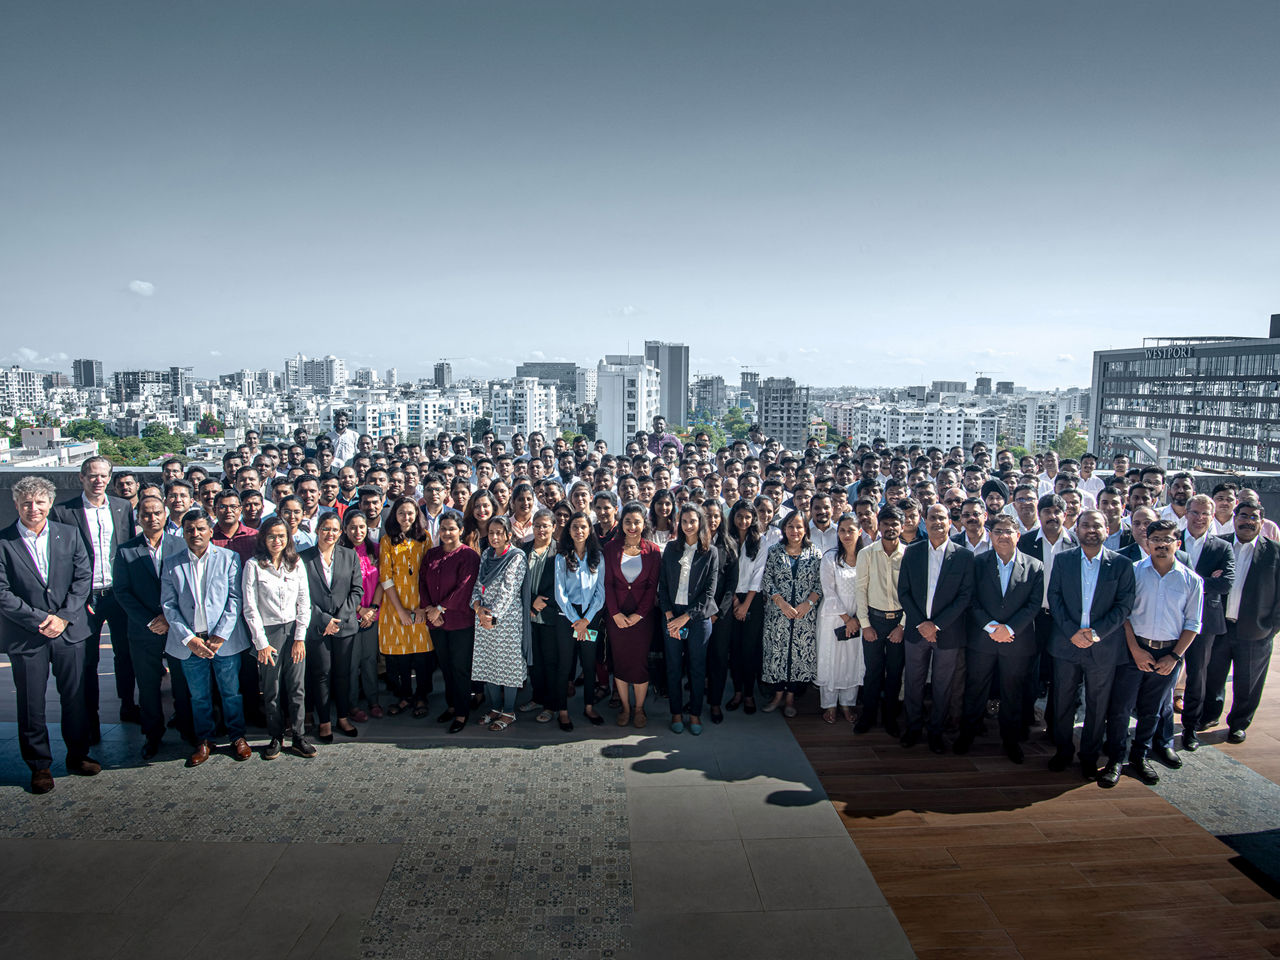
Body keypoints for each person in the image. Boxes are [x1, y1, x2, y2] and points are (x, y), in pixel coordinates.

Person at [0, 476, 98, 794]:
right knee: (31, 703)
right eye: (27, 502)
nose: (34, 508)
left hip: (68, 631)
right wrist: (42, 619)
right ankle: (39, 765)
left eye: (40, 502)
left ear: (50, 504)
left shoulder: (68, 534)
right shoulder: (3, 542)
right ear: (16, 505)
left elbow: (84, 576)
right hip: (27, 635)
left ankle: (78, 755)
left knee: (75, 697)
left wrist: (65, 617)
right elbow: (2, 593)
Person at [1101, 519, 1203, 788]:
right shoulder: (1133, 572)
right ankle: (1115, 759)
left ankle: (1140, 757)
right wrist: (1135, 650)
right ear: (1147, 542)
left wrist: (1175, 657)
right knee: (1121, 708)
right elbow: (1124, 614)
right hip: (1134, 651)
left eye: (1167, 539)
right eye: (1155, 539)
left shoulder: (1191, 580)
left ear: (1177, 543)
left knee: (1152, 711)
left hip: (1169, 653)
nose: (1161, 544)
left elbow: (1193, 623)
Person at [1046, 509, 1137, 780]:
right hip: (1066, 643)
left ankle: (1089, 756)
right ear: (1077, 529)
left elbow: (1124, 605)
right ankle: (1063, 751)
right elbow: (1055, 597)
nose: (1091, 530)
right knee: (1063, 700)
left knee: (1097, 705)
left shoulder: (1120, 564)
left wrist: (1096, 633)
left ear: (1107, 530)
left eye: (1097, 526)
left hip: (1103, 646)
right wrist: (1072, 631)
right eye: (1085, 525)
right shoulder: (1063, 561)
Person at [160, 508, 253, 768]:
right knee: (199, 696)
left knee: (231, 693)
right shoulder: (172, 562)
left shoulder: (229, 558)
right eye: (189, 530)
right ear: (183, 533)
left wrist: (220, 635)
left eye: (201, 528)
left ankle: (237, 736)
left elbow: (235, 599)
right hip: (191, 643)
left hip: (223, 641)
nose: (195, 533)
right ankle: (205, 740)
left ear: (210, 531)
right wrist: (189, 639)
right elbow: (168, 605)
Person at [52, 455, 138, 735]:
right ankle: (91, 717)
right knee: (87, 659)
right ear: (81, 477)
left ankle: (128, 705)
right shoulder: (64, 512)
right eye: (92, 475)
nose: (98, 481)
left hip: (117, 593)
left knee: (124, 653)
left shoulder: (122, 507)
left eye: (103, 476)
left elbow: (126, 548)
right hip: (84, 597)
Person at [955, 514, 1044, 764]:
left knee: (1013, 692)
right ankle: (967, 735)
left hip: (1017, 641)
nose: (1003, 536)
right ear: (990, 536)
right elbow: (971, 599)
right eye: (997, 531)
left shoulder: (1035, 566)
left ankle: (1011, 741)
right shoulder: (978, 562)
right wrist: (992, 627)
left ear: (1018, 535)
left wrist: (1010, 628)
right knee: (975, 689)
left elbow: (1033, 604)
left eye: (1008, 531)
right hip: (983, 639)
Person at [113, 494, 192, 758]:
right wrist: (150, 620)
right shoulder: (126, 550)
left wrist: (171, 618)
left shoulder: (182, 544)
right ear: (138, 518)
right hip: (143, 629)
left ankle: (188, 728)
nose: (152, 518)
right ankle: (153, 734)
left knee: (182, 681)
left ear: (165, 514)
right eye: (146, 514)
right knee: (148, 685)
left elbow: (190, 587)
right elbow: (122, 592)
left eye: (157, 512)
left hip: (178, 626)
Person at [898, 504, 976, 753]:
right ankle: (912, 728)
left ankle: (936, 731)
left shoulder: (964, 555)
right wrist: (923, 624)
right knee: (913, 681)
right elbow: (904, 592)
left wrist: (937, 624)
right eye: (932, 518)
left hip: (948, 632)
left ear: (950, 522)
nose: (937, 522)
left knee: (943, 686)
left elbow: (965, 596)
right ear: (924, 520)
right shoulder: (912, 551)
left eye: (942, 518)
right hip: (916, 630)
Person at [1203, 501, 1280, 743]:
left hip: (1256, 629)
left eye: (1253, 517)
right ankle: (1209, 715)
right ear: (1234, 518)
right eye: (1243, 516)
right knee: (1213, 676)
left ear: (1261, 521)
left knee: (1248, 682)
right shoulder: (1218, 545)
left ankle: (1238, 723)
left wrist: (1271, 628)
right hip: (1218, 626)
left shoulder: (1275, 552)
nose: (1248, 521)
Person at [242, 516, 314, 759]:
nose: (277, 540)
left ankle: (298, 735)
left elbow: (304, 601)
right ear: (263, 537)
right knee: (271, 689)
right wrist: (261, 643)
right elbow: (250, 608)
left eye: (282, 536)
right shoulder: (253, 565)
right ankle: (275, 735)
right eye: (272, 536)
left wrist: (300, 637)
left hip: (294, 630)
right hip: (268, 632)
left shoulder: (295, 563)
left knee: (297, 687)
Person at [1174, 495, 1235, 751]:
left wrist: (1192, 581)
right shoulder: (1172, 539)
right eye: (1195, 512)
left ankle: (1190, 728)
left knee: (1198, 675)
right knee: (1163, 672)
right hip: (1171, 617)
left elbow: (1226, 583)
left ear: (1212, 517)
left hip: (1205, 621)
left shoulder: (1222, 547)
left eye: (1205, 514)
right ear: (1186, 513)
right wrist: (1205, 580)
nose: (1199, 518)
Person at [658, 504, 719, 734]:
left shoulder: (710, 552)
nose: (688, 525)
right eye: (684, 521)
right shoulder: (672, 549)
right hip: (672, 616)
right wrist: (669, 615)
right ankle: (675, 712)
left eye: (693, 521)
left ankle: (694, 714)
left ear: (700, 523)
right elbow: (662, 586)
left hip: (698, 618)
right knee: (673, 666)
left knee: (696, 667)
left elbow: (709, 593)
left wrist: (686, 617)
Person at [302, 512, 363, 742]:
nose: (330, 533)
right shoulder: (303, 558)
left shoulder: (349, 555)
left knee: (343, 673)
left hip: (344, 626)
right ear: (317, 530)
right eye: (325, 528)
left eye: (335, 530)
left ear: (341, 532)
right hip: (317, 627)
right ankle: (325, 721)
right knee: (321, 674)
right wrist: (323, 619)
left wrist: (339, 618)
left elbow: (357, 590)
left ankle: (343, 717)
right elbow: (301, 596)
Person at [420, 510, 480, 733]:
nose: (447, 533)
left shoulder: (469, 556)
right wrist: (429, 609)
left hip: (459, 621)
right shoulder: (432, 554)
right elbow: (422, 582)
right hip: (435, 622)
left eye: (451, 529)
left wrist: (440, 608)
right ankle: (452, 705)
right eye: (443, 529)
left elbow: (465, 586)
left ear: (461, 531)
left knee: (460, 668)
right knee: (445, 666)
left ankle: (463, 712)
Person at [603, 501, 661, 727]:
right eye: (628, 521)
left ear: (644, 522)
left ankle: (639, 708)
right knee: (620, 661)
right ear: (621, 522)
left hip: (642, 617)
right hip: (616, 615)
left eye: (637, 521)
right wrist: (615, 613)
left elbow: (652, 586)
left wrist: (639, 615)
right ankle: (625, 708)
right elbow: (607, 584)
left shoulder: (653, 551)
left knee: (639, 662)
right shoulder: (610, 548)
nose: (632, 526)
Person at [471, 516, 531, 731]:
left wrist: (492, 617)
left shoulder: (516, 556)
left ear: (508, 535)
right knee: (489, 663)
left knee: (508, 666)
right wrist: (478, 609)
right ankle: (495, 707)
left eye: (500, 532)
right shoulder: (486, 554)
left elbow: (509, 590)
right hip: (483, 617)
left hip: (506, 621)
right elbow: (478, 583)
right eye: (492, 532)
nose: (495, 537)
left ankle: (508, 711)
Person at [761, 511, 823, 718]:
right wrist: (780, 602)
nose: (794, 531)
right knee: (777, 655)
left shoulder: (815, 553)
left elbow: (820, 584)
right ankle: (777, 696)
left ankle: (790, 699)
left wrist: (809, 603)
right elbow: (766, 581)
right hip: (778, 615)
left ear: (805, 529)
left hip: (804, 616)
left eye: (799, 526)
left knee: (797, 656)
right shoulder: (774, 551)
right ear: (784, 529)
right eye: (790, 526)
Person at [377, 496, 434, 718]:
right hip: (395, 606)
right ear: (395, 515)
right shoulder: (387, 541)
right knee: (399, 656)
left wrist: (423, 608)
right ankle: (403, 696)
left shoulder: (425, 538)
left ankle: (421, 696)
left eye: (410, 513)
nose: (406, 517)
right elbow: (386, 576)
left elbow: (430, 573)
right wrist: (400, 610)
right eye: (401, 513)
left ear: (417, 515)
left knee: (421, 656)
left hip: (420, 604)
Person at [554, 511, 606, 729]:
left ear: (589, 530)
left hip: (590, 616)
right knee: (565, 664)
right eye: (574, 527)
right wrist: (576, 620)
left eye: (583, 527)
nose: (579, 531)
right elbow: (560, 593)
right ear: (569, 530)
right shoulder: (561, 557)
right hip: (567, 617)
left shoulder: (598, 557)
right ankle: (563, 711)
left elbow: (600, 593)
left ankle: (588, 707)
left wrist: (587, 619)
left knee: (588, 662)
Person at [815, 515, 864, 723]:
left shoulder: (867, 557)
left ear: (859, 532)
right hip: (833, 617)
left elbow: (869, 589)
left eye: (850, 530)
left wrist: (858, 618)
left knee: (852, 659)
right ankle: (829, 704)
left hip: (860, 617)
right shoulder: (830, 558)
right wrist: (847, 618)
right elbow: (828, 590)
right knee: (831, 659)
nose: (846, 534)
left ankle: (847, 704)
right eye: (842, 530)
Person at [725, 500, 769, 714]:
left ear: (753, 519)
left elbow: (758, 576)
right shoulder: (726, 540)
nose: (743, 521)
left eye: (747, 517)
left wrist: (745, 605)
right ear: (733, 518)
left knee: (749, 650)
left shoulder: (760, 542)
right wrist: (735, 601)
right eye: (739, 516)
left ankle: (749, 694)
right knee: (734, 650)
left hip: (753, 599)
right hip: (731, 598)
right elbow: (725, 572)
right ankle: (738, 692)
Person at [340, 508, 382, 720]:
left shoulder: (375, 549)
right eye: (353, 527)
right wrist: (360, 610)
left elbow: (384, 581)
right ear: (345, 529)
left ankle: (373, 700)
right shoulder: (340, 552)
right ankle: (352, 705)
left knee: (369, 660)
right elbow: (339, 587)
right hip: (350, 616)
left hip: (372, 615)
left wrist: (373, 609)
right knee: (352, 662)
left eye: (362, 527)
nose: (358, 531)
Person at [522, 509, 561, 724]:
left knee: (550, 661)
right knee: (533, 661)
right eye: (537, 525)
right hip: (527, 616)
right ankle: (537, 698)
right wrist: (529, 604)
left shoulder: (560, 552)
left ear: (554, 527)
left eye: (546, 525)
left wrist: (537, 604)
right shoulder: (524, 550)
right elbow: (517, 583)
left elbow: (560, 586)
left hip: (549, 617)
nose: (541, 529)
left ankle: (551, 704)